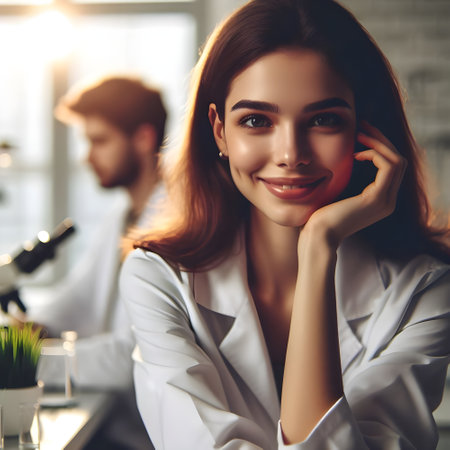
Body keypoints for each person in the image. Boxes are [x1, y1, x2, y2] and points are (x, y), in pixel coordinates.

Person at [119, 0, 450, 448]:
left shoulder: (425, 290)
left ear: (363, 129)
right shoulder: (158, 278)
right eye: (256, 120)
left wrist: (318, 248)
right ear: (219, 131)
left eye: (324, 120)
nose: (290, 154)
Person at [28, 76, 167, 449]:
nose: (87, 156)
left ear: (142, 138)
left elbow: (132, 359)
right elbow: (77, 298)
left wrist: (25, 361)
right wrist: (25, 328)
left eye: (100, 141)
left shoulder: (176, 223)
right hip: (115, 426)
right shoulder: (122, 215)